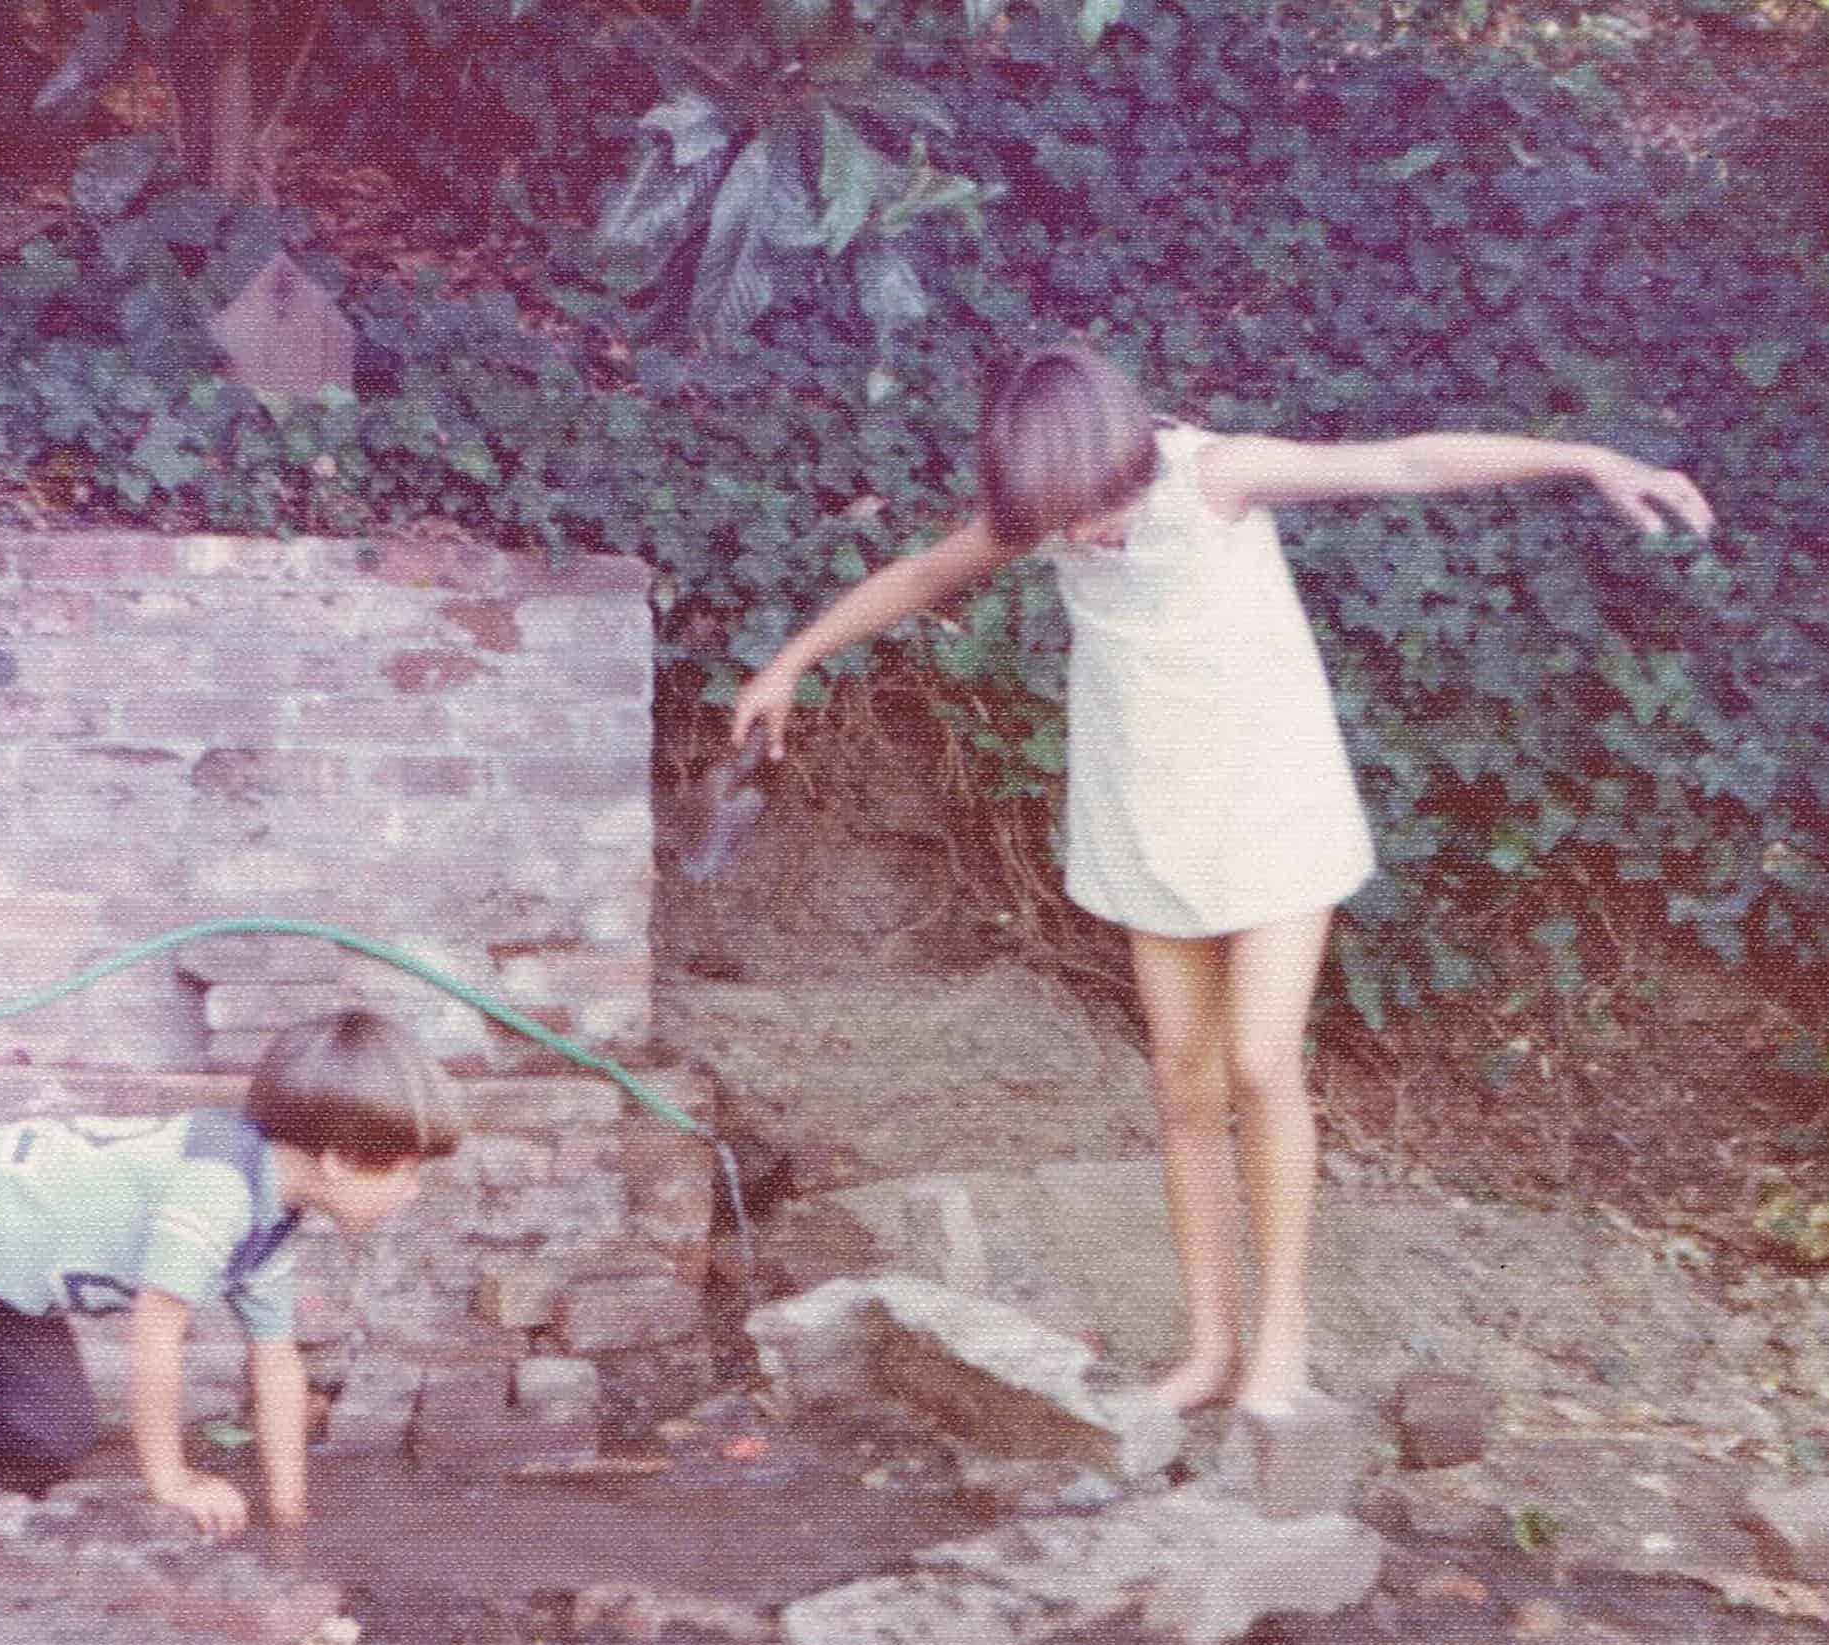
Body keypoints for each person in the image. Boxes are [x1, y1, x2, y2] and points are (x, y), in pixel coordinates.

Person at [732, 342, 1713, 1418]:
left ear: (1122, 463)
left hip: (1273, 810)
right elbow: (922, 575)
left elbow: (1406, 465)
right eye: (1050, 526)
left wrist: (1583, 458)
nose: (1072, 543)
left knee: (1258, 1060)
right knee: (1184, 1082)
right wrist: (790, 661)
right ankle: (1209, 1349)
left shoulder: (1216, 478)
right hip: (1152, 819)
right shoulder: (1051, 510)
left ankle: (1280, 1339)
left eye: (1085, 516)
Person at [0, 1008, 460, 1535]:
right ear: (339, 1159)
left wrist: (290, 1513)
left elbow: (276, 1364)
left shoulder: (273, 1216)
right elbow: (155, 1341)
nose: (413, 1191)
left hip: (0, 1277)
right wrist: (171, 1482)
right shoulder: (217, 1188)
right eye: (406, 1171)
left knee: (55, 1438)